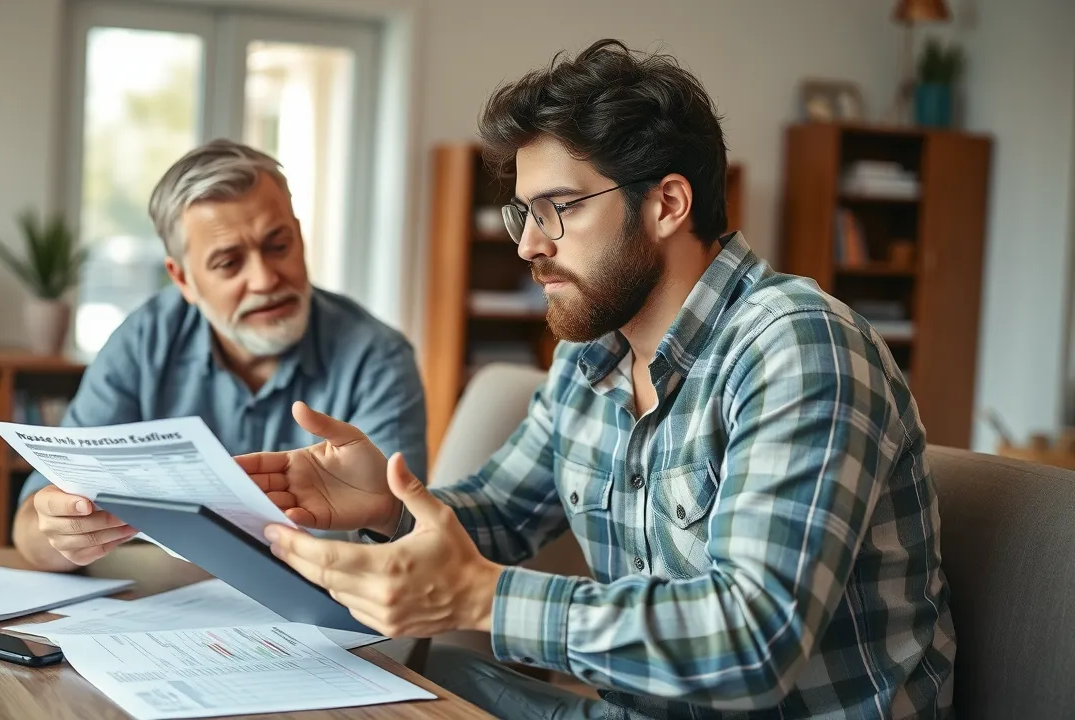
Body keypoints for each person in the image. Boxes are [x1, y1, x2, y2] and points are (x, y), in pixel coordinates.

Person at [237, 40, 956, 719]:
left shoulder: (798, 346)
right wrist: (385, 509)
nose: (528, 243)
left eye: (558, 209)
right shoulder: (591, 359)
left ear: (667, 204)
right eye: (522, 211)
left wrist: (483, 598)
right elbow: (502, 514)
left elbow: (754, 640)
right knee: (402, 690)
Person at [13, 139, 427, 573]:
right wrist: (62, 532)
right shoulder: (145, 341)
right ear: (183, 279)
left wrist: (385, 518)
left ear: (300, 237)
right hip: (166, 603)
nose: (266, 279)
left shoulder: (378, 358)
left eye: (278, 245)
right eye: (229, 263)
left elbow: (411, 543)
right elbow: (31, 525)